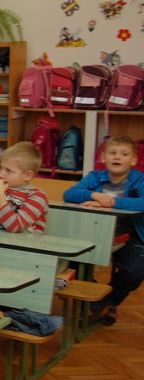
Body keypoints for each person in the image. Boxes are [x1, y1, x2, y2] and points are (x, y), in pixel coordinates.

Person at [63, 135, 144, 325]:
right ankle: (95, 298)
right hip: (96, 231)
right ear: (103, 157)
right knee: (71, 260)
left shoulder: (140, 179)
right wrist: (94, 195)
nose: (117, 157)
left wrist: (112, 202)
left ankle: (108, 302)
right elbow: (69, 194)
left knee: (135, 271)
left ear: (133, 160)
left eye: (124, 154)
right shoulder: (94, 177)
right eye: (112, 153)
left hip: (131, 234)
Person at [0, 141, 48, 233]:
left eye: (8, 170)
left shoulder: (38, 196)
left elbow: (15, 226)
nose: (1, 174)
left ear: (28, 175)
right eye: (1, 168)